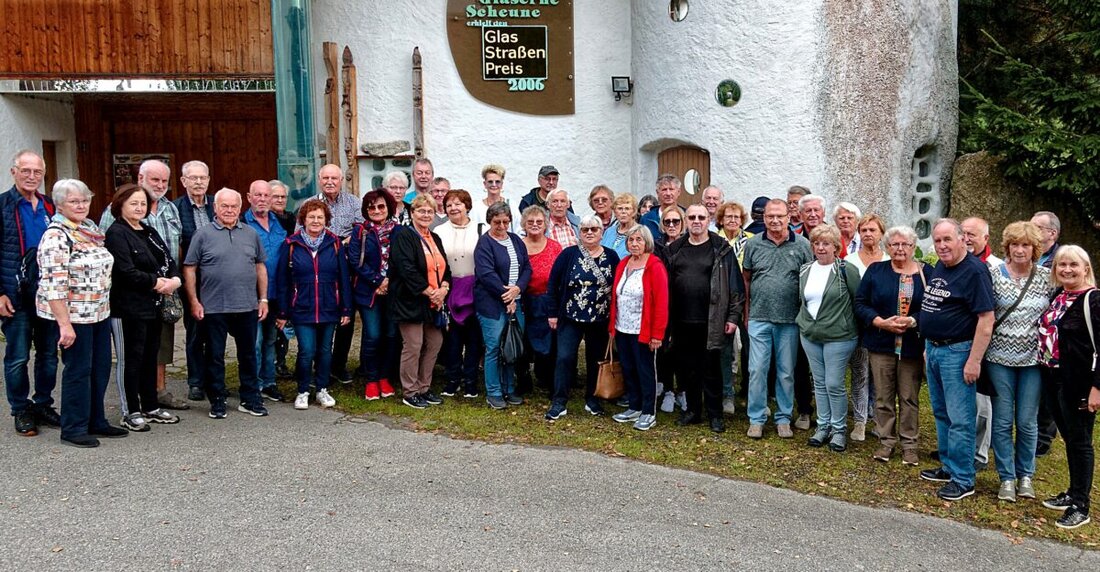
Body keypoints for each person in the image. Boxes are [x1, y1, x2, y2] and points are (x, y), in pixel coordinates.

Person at [37, 179, 125, 447]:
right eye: (74, 201)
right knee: (78, 370)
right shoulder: (56, 235)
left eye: (85, 200)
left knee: (99, 368)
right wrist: (65, 325)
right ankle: (73, 427)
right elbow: (53, 285)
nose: (81, 205)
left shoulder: (89, 228)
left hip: (98, 312)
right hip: (73, 317)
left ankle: (95, 420)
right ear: (60, 204)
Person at [918, 218, 995, 501]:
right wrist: (928, 345)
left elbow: (986, 319)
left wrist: (974, 361)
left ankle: (964, 479)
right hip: (936, 349)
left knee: (961, 419)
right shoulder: (942, 265)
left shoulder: (974, 272)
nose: (941, 246)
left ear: (963, 239)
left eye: (947, 239)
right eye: (937, 241)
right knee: (941, 413)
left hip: (958, 353)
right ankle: (948, 466)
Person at [100, 160, 187, 411]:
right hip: (128, 307)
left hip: (154, 306)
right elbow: (124, 270)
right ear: (121, 206)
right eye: (133, 204)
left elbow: (168, 257)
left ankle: (150, 406)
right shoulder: (116, 232)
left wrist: (175, 279)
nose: (139, 208)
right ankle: (131, 411)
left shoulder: (147, 230)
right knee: (132, 360)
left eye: (142, 204)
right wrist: (158, 282)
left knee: (150, 357)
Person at [182, 188, 270, 419]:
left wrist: (263, 299)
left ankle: (250, 398)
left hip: (247, 305)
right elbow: (190, 268)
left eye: (233, 206)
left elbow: (260, 266)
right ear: (215, 208)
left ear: (240, 208)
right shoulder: (202, 235)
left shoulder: (251, 234)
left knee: (249, 355)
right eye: (224, 206)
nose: (229, 210)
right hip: (213, 307)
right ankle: (217, 399)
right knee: (214, 355)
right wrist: (194, 301)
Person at [665, 204, 745, 433]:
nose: (697, 221)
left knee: (711, 369)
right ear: (686, 220)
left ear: (709, 219)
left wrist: (732, 317)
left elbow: (736, 288)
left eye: (701, 217)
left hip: (712, 320)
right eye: (692, 217)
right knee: (687, 368)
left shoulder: (721, 249)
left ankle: (715, 414)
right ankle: (692, 411)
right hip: (681, 320)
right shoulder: (675, 249)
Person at [986, 221, 1051, 502]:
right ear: (1007, 247)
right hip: (998, 357)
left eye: (1026, 245)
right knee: (1001, 421)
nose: (1020, 250)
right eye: (1015, 244)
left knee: (1026, 421)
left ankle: (1026, 474)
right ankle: (1007, 478)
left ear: (1035, 248)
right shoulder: (993, 274)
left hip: (1032, 360)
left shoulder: (1048, 278)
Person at [1038, 245, 1100, 529]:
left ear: (1086, 268)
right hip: (1053, 377)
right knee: (1069, 439)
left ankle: (1080, 505)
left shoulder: (1094, 300)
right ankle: (1072, 493)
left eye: (1073, 265)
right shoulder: (1059, 295)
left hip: (1079, 383)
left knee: (1080, 442)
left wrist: (1096, 389)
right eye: (1061, 265)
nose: (1066, 270)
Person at [1, 150, 60, 436]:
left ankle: (43, 404)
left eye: (37, 172)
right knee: (18, 356)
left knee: (49, 355)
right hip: (16, 296)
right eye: (25, 171)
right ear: (14, 172)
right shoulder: (3, 206)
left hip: (48, 296)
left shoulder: (51, 207)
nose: (31, 176)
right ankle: (20, 408)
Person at [742, 199, 813, 439]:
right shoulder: (753, 245)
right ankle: (757, 417)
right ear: (764, 218)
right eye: (770, 216)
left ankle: (783, 417)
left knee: (786, 371)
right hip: (759, 318)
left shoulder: (803, 245)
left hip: (790, 321)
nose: (774, 220)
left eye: (779, 216)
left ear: (788, 217)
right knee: (757, 369)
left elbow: (808, 282)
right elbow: (747, 280)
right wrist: (747, 312)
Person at [855, 226, 925, 466]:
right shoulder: (876, 271)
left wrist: (913, 320)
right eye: (894, 244)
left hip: (911, 346)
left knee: (908, 397)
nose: (900, 248)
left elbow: (933, 307)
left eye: (905, 244)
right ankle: (886, 441)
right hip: (881, 343)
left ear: (913, 247)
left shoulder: (927, 273)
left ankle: (909, 445)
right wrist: (879, 322)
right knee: (883, 396)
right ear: (887, 247)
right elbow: (861, 303)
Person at [275, 199, 351, 410]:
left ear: (326, 220)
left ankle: (322, 389)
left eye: (320, 217)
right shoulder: (291, 244)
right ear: (303, 220)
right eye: (311, 217)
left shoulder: (335, 243)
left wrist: (346, 308)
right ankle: (303, 390)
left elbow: (343, 278)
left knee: (325, 350)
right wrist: (283, 311)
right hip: (302, 307)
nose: (316, 221)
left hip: (329, 306)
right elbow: (283, 280)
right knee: (306, 351)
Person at [546, 215, 619, 419]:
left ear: (601, 233)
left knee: (596, 360)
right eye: (585, 229)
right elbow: (553, 284)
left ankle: (592, 399)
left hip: (599, 319)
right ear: (579, 232)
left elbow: (617, 288)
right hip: (570, 317)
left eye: (594, 229)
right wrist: (552, 313)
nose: (589, 232)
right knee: (564, 358)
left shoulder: (612, 257)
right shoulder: (568, 254)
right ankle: (559, 401)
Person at [796, 225, 861, 452]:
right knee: (820, 383)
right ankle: (823, 427)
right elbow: (803, 300)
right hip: (810, 335)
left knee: (834, 383)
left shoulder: (846, 270)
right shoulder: (805, 269)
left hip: (839, 336)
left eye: (826, 243)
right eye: (816, 243)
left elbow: (858, 301)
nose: (821, 248)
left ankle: (839, 429)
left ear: (836, 246)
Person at [391, 195, 451, 409]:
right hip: (411, 301)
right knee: (413, 345)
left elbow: (446, 268)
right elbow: (406, 269)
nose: (426, 215)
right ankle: (410, 391)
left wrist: (443, 288)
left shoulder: (435, 237)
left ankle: (424, 388)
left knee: (435, 343)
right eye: (421, 211)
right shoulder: (404, 236)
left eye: (429, 211)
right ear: (412, 213)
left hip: (434, 303)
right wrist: (429, 292)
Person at [609, 225, 668, 431]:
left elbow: (661, 302)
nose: (634, 244)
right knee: (628, 368)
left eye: (639, 240)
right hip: (623, 328)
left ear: (647, 242)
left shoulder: (654, 266)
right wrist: (612, 327)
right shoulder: (624, 263)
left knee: (645, 371)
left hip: (643, 330)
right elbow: (615, 296)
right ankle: (633, 406)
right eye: (631, 240)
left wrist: (657, 334)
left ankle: (648, 411)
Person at [475, 202, 531, 410]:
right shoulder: (484, 243)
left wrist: (518, 289)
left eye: (505, 221)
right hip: (492, 304)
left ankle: (509, 388)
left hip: (516, 300)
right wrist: (507, 297)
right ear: (490, 221)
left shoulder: (516, 240)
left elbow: (526, 268)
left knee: (511, 347)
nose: (501, 225)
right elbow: (486, 274)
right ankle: (494, 392)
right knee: (494, 348)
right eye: (497, 221)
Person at [348, 189, 400, 401]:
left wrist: (389, 281)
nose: (376, 211)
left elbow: (404, 260)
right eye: (372, 207)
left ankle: (384, 377)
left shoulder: (399, 231)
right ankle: (371, 379)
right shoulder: (360, 231)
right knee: (373, 335)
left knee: (391, 335)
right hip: (368, 292)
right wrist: (378, 281)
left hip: (393, 291)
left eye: (381, 206)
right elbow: (355, 261)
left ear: (388, 207)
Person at [434, 189, 486, 399]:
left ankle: (471, 381)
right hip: (450, 287)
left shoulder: (482, 229)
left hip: (475, 288)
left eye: (458, 204)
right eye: (449, 205)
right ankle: (452, 379)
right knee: (452, 339)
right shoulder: (439, 231)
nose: (454, 208)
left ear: (467, 205)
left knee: (474, 339)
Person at [844, 213, 890, 441]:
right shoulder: (850, 260)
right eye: (864, 230)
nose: (868, 234)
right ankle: (860, 421)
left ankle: (877, 418)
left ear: (881, 233)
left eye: (873, 230)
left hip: (884, 327)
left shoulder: (889, 259)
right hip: (858, 325)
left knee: (880, 376)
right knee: (861, 373)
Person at [316, 164, 363, 383]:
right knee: (321, 316)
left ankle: (339, 364)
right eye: (325, 177)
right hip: (319, 270)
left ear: (341, 179)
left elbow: (361, 231)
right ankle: (319, 364)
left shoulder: (354, 203)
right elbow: (301, 234)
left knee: (346, 318)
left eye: (334, 178)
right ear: (319, 179)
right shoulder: (310, 205)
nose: (330, 182)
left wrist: (337, 243)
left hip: (347, 269)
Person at [961, 216, 1001, 471]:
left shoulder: (995, 267)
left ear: (985, 239)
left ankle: (979, 453)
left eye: (972, 235)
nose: (966, 239)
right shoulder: (955, 261)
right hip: (959, 342)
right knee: (962, 399)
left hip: (986, 344)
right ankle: (961, 446)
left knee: (982, 402)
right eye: (962, 233)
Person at [173, 160, 215, 402]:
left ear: (208, 180)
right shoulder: (176, 208)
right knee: (196, 331)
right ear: (183, 181)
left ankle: (213, 379)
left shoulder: (216, 206)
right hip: (192, 279)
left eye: (203, 178)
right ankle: (196, 381)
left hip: (217, 280)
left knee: (215, 331)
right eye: (193, 178)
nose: (198, 182)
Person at [243, 180, 288, 403]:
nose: (262, 199)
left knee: (271, 340)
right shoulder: (243, 223)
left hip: (276, 292)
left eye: (266, 195)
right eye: (257, 195)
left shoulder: (280, 223)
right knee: (255, 341)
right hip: (252, 294)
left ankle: (269, 382)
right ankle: (254, 384)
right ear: (249, 197)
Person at [517, 205, 562, 394]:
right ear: (524, 225)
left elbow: (560, 275)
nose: (535, 225)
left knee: (549, 343)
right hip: (524, 300)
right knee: (523, 340)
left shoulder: (554, 246)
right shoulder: (517, 245)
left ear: (545, 225)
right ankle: (523, 379)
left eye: (539, 222)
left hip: (548, 301)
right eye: (530, 222)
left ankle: (547, 379)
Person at [715, 200, 753, 415]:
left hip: (747, 300)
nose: (732, 220)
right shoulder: (714, 241)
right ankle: (726, 394)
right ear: (721, 219)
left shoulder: (751, 240)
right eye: (728, 216)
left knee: (751, 348)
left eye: (736, 217)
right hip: (723, 301)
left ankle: (750, 392)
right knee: (725, 349)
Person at [1030, 210, 1061, 456]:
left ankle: (1043, 436)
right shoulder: (1030, 255)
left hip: (1051, 334)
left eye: (1037, 227)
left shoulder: (1061, 260)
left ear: (1052, 233)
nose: (1031, 230)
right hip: (1027, 331)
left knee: (1048, 385)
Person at [654, 204, 686, 413]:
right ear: (662, 225)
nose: (672, 225)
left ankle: (683, 391)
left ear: (682, 224)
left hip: (686, 304)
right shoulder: (657, 246)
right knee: (664, 349)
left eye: (676, 221)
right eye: (668, 222)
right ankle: (667, 390)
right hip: (663, 303)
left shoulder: (689, 244)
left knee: (683, 349)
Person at [268, 179, 297, 378]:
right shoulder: (265, 219)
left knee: (284, 319)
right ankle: (270, 364)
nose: (279, 199)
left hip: (287, 276)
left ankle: (281, 361)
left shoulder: (290, 218)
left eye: (283, 196)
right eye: (275, 196)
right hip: (269, 278)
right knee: (271, 325)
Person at [472, 164, 520, 231]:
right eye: (490, 182)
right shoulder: (476, 207)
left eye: (497, 182)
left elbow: (518, 229)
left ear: (502, 184)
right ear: (485, 184)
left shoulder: (511, 205)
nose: (494, 185)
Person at [641, 174, 682, 238]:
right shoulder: (647, 219)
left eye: (671, 189)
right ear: (657, 192)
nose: (668, 193)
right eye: (664, 190)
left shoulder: (687, 216)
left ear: (679, 192)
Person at [601, 193, 639, 259]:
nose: (623, 212)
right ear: (615, 212)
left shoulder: (640, 232)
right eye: (620, 208)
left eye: (627, 208)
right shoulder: (609, 231)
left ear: (634, 212)